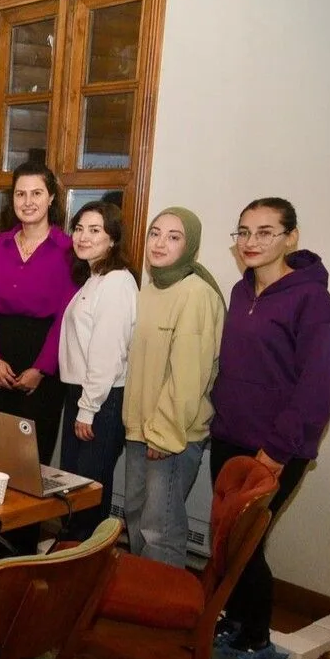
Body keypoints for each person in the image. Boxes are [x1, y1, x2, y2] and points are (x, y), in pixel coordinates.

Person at [207, 198, 330, 659]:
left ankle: (256, 642)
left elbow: (318, 386)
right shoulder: (242, 290)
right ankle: (237, 620)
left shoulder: (314, 302)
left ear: (291, 237)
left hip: (275, 448)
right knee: (228, 541)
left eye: (265, 232)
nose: (251, 242)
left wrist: (278, 450)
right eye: (243, 232)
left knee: (247, 542)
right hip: (230, 436)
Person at [122, 207, 225, 569]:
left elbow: (189, 375)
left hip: (172, 437)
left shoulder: (196, 294)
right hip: (140, 429)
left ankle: (161, 602)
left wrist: (164, 435)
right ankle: (138, 593)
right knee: (136, 517)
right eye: (155, 233)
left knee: (160, 531)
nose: (160, 243)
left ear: (190, 245)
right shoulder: (150, 290)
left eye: (174, 236)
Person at [0, 161, 76, 463]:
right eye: (20, 194)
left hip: (44, 361)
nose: (28, 202)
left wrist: (40, 369)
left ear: (51, 198)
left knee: (30, 457)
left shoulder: (68, 250)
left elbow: (66, 317)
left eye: (36, 193)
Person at [56, 202, 138, 541]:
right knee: (75, 488)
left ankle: (87, 559)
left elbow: (107, 354)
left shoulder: (116, 282)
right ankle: (74, 555)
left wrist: (88, 408)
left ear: (113, 239)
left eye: (95, 230)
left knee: (88, 493)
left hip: (100, 400)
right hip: (83, 394)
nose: (83, 237)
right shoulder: (93, 279)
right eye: (78, 229)